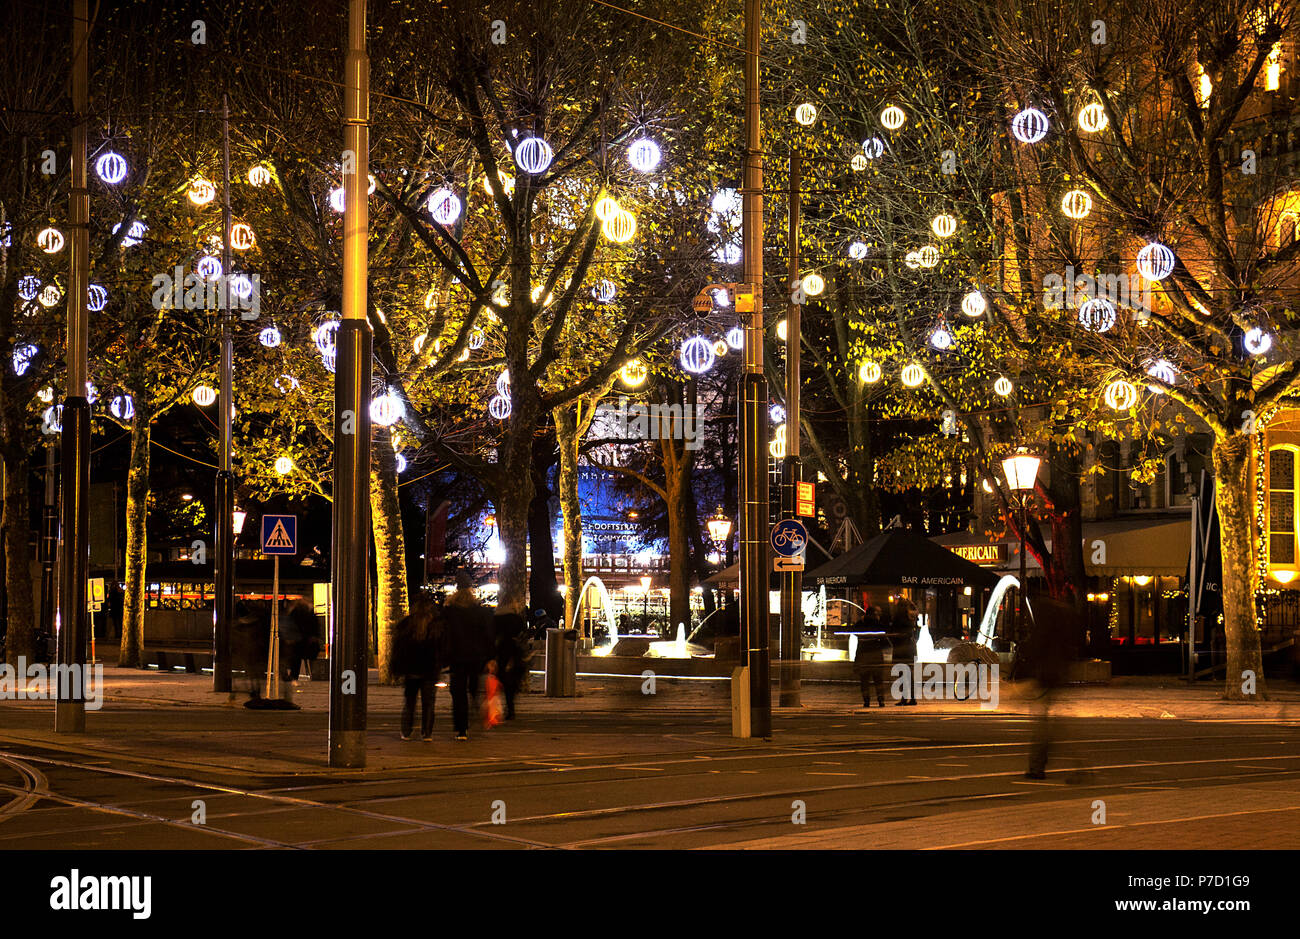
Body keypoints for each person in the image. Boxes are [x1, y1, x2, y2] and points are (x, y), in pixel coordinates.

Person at [1024, 596, 1082, 779]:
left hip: (1045, 677)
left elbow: (1035, 649)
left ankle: (1037, 767)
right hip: (1055, 676)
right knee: (1053, 725)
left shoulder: (1044, 629)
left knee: (1044, 726)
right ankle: (1077, 766)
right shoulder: (1062, 629)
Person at [443, 571, 493, 740]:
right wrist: (490, 657)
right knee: (473, 687)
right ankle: (474, 706)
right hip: (475, 656)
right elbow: (487, 635)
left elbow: (444, 634)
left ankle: (461, 728)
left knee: (458, 692)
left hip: (457, 656)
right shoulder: (479, 611)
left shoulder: (449, 611)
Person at [391, 600, 443, 741]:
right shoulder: (435, 626)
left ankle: (406, 731)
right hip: (429, 669)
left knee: (410, 702)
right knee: (428, 702)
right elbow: (441, 648)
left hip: (411, 669)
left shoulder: (407, 625)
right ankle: (427, 732)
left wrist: (396, 669)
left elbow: (398, 649)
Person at [493, 611, 529, 719]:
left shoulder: (502, 636)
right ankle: (510, 708)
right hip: (514, 659)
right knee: (510, 687)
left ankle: (506, 708)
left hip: (505, 659)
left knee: (505, 685)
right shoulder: (515, 630)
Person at [853, 605, 891, 707]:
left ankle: (866, 701)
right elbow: (885, 641)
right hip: (875, 655)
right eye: (878, 613)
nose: (880, 615)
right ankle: (880, 700)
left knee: (864, 680)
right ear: (874, 614)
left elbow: (854, 631)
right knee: (878, 680)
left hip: (863, 655)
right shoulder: (878, 624)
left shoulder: (861, 623)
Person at [888, 598, 919, 705]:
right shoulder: (911, 617)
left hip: (901, 648)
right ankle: (912, 698)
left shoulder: (899, 618)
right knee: (909, 674)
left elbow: (893, 630)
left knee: (902, 674)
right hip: (910, 648)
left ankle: (905, 698)